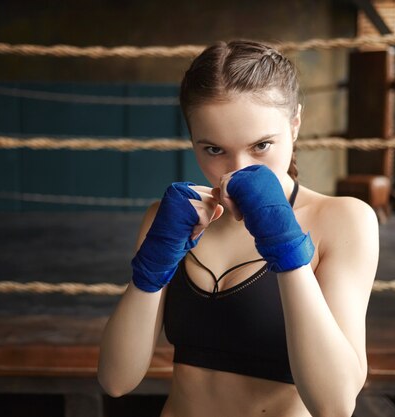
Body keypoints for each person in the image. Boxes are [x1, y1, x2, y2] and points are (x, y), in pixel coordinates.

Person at [98, 40, 379, 417]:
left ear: (295, 125)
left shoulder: (343, 220)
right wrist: (152, 266)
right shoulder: (169, 220)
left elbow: (335, 405)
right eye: (214, 149)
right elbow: (116, 380)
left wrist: (285, 245)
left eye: (261, 145)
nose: (236, 169)